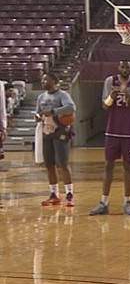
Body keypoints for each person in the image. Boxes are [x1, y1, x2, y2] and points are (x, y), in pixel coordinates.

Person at [89, 59, 130, 216]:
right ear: (118, 67)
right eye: (122, 66)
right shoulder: (109, 81)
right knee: (108, 165)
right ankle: (104, 202)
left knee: (128, 166)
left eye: (127, 66)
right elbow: (105, 106)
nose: (125, 69)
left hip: (129, 131)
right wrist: (112, 97)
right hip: (112, 130)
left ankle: (128, 202)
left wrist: (129, 97)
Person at [35, 73, 76, 206]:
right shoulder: (41, 97)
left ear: (54, 81)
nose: (43, 81)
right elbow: (38, 112)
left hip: (60, 131)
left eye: (45, 79)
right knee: (49, 165)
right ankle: (54, 194)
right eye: (42, 79)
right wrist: (37, 116)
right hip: (46, 131)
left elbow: (71, 107)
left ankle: (69, 194)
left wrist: (53, 111)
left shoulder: (62, 95)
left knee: (63, 164)